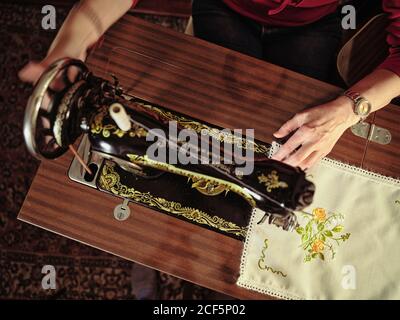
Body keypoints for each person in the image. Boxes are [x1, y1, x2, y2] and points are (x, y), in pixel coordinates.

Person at [19, 0, 400, 169]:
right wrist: (72, 42)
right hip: (225, 7)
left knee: (289, 137)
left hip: (311, 24)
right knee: (211, 119)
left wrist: (350, 109)